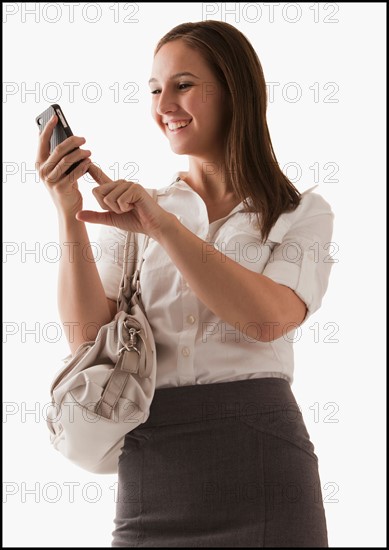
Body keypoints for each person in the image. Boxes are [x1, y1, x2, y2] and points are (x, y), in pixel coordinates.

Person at [36, 20, 334, 548]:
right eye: (155, 89)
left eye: (183, 85)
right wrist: (68, 213)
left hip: (264, 464)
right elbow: (87, 339)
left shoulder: (299, 213)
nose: (164, 104)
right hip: (154, 464)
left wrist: (163, 227)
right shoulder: (136, 212)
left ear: (234, 89)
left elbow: (267, 319)